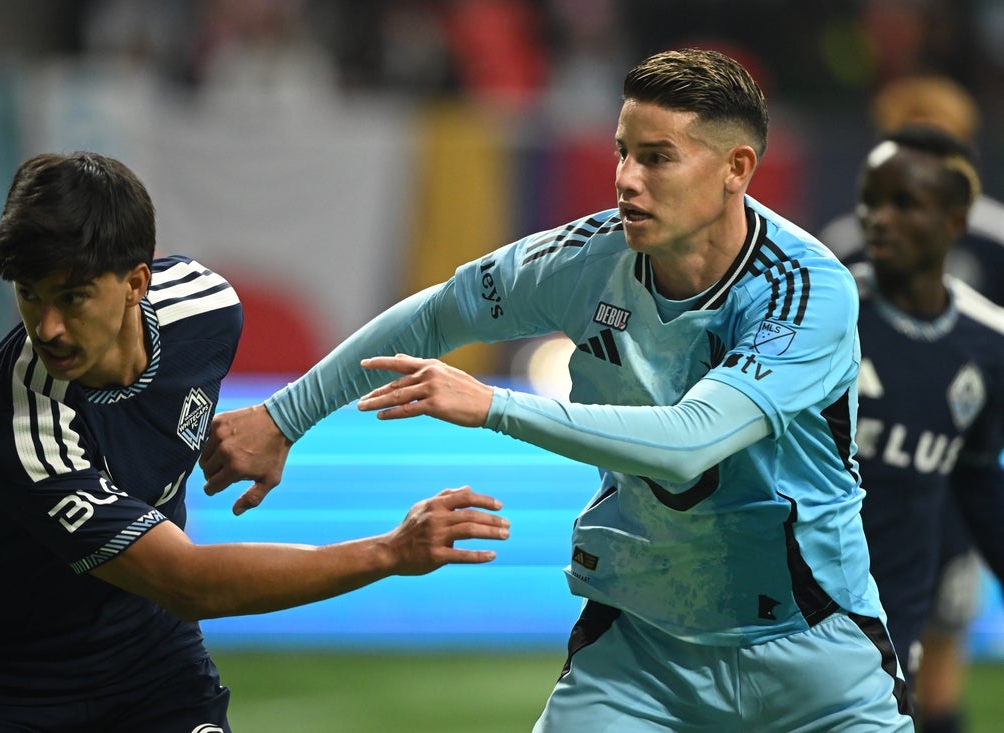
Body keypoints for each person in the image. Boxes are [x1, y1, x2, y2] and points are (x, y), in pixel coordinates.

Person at [200, 48, 914, 731]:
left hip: (812, 650)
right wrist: (284, 417)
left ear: (737, 168)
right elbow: (438, 314)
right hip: (642, 647)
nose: (626, 179)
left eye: (657, 157)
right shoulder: (586, 257)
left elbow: (693, 441)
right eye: (622, 151)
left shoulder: (805, 289)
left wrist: (494, 406)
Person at [0, 151, 509, 731]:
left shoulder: (207, 308)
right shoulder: (20, 426)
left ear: (137, 282)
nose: (48, 327)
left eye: (72, 297)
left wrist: (280, 424)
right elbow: (186, 582)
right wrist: (389, 552)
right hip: (0, 685)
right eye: (29, 294)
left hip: (145, 660)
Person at [817, 74, 1004, 733]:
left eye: (907, 202)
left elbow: (976, 469)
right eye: (874, 199)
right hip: (796, 584)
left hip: (923, 547)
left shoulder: (986, 338)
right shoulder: (823, 294)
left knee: (932, 675)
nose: (880, 218)